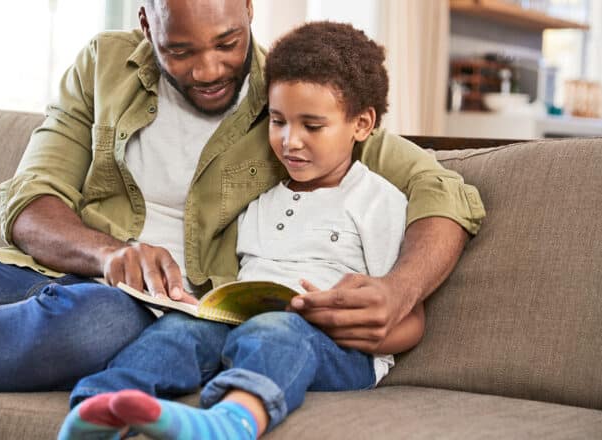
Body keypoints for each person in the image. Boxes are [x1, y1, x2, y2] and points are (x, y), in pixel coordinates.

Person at [0, 0, 483, 399]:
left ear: (250, 12)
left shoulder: (292, 95)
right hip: (50, 274)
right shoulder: (103, 66)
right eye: (180, 49)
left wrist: (400, 290)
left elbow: (443, 189)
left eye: (227, 43)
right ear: (145, 20)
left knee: (97, 323)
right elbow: (32, 201)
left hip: (145, 313)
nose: (207, 69)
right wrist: (110, 254)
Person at [57, 21, 424, 440]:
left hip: (336, 350)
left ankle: (233, 421)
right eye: (279, 121)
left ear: (361, 124)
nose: (290, 141)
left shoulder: (377, 200)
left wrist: (357, 326)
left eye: (312, 126)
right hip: (243, 327)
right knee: (180, 330)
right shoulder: (259, 201)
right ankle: (102, 408)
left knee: (277, 331)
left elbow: (411, 320)